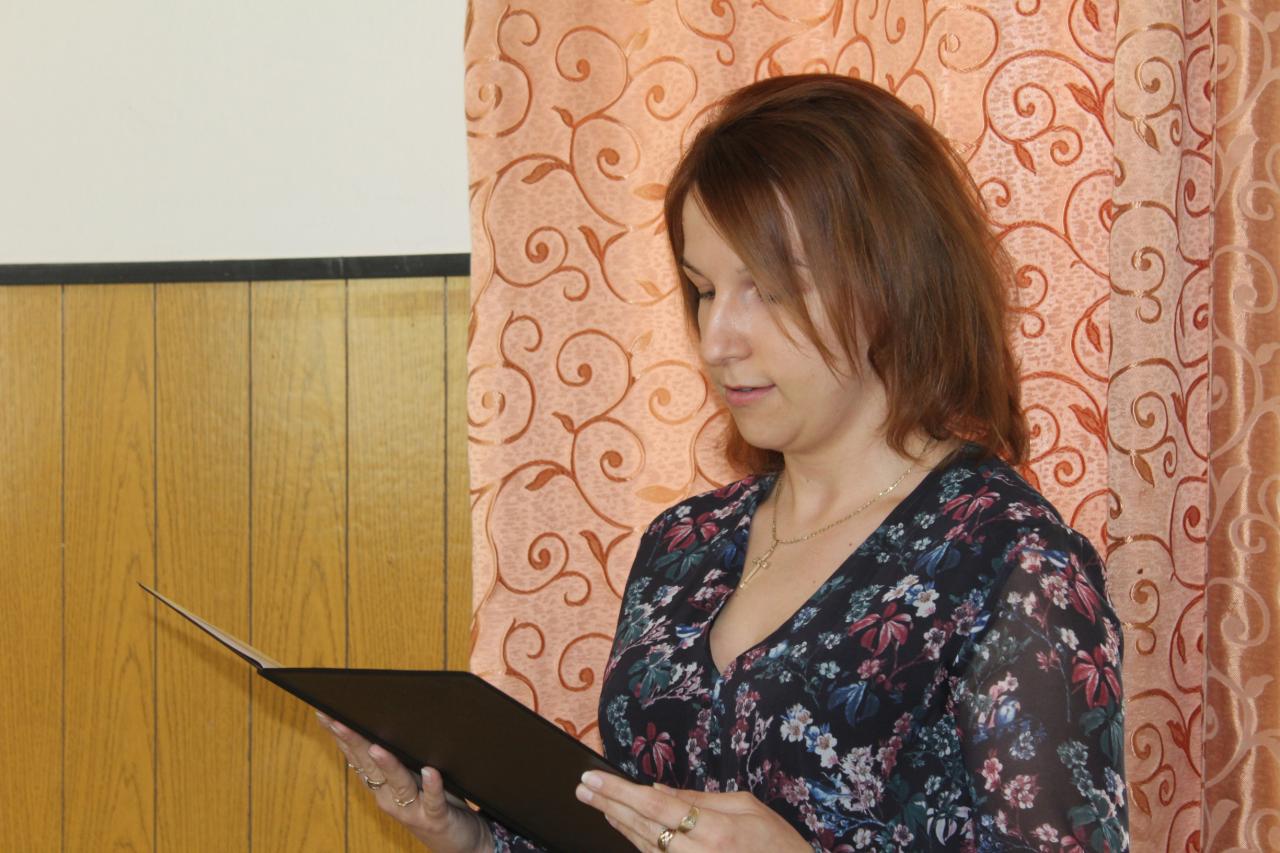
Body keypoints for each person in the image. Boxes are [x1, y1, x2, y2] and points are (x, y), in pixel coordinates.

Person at [320, 73, 1129, 852]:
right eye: (704, 290)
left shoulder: (1012, 562)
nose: (716, 341)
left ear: (894, 282)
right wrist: (469, 835)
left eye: (767, 289)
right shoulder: (683, 544)